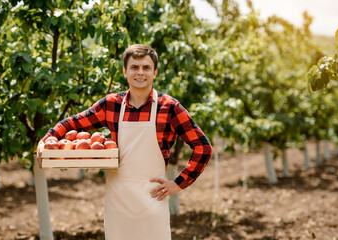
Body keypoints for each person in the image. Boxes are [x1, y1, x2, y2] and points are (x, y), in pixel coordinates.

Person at [37, 44, 213, 240]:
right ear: (125, 71)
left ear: (155, 72)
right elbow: (73, 122)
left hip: (152, 198)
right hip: (118, 199)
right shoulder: (111, 104)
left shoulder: (169, 108)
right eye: (134, 67)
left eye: (146, 68)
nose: (140, 72)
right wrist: (45, 141)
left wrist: (179, 183)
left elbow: (203, 147)